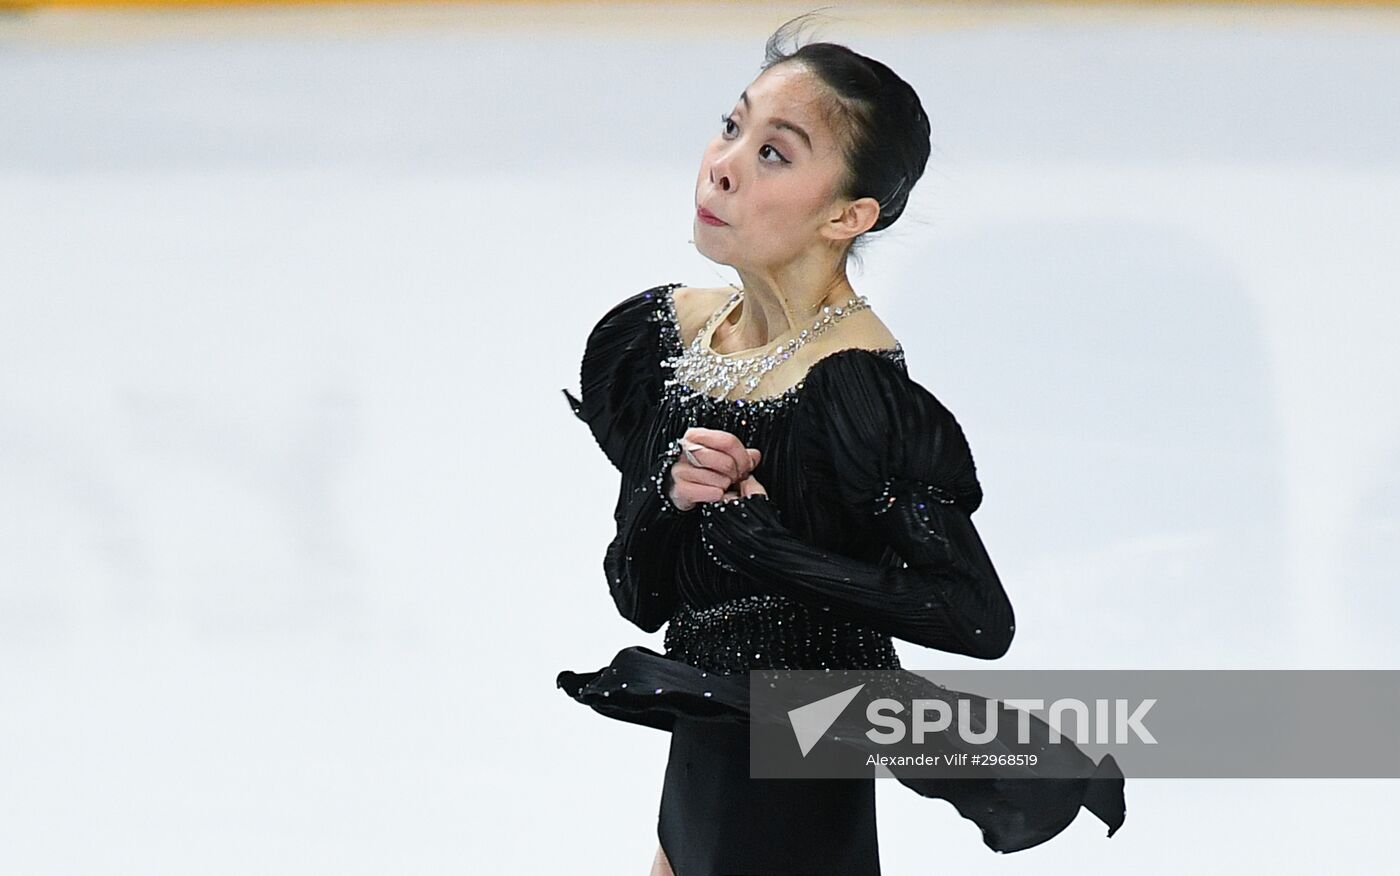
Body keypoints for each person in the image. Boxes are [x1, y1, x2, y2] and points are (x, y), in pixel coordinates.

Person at [557, 16, 1125, 875]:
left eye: (775, 154)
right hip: (709, 751)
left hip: (803, 761)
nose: (723, 164)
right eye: (732, 125)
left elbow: (975, 617)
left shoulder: (855, 396)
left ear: (848, 214)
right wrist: (671, 500)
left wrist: (771, 548)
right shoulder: (664, 342)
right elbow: (638, 596)